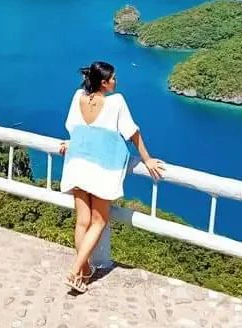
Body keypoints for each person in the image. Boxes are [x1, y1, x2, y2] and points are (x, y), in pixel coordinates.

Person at [58, 61, 164, 293]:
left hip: (76, 162)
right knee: (99, 221)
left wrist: (71, 144)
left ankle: (85, 271)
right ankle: (75, 270)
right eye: (113, 78)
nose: (116, 81)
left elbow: (73, 127)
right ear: (104, 82)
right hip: (102, 168)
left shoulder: (79, 97)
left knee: (82, 222)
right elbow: (133, 132)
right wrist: (146, 159)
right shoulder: (116, 101)